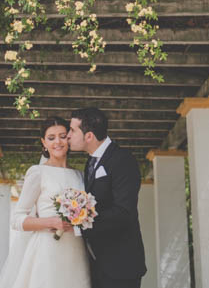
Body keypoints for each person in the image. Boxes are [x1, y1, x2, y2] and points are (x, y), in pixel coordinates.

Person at [0, 116, 91, 288]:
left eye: (62, 136)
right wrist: (51, 222)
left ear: (69, 139)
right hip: (48, 249)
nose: (57, 142)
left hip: (76, 250)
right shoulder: (38, 172)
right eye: (51, 138)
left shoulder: (80, 176)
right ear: (44, 143)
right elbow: (17, 219)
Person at [68, 107, 147, 288]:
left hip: (121, 265)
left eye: (72, 130)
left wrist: (81, 223)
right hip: (97, 262)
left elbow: (124, 212)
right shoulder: (90, 162)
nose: (68, 135)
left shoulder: (123, 159)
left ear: (89, 136)